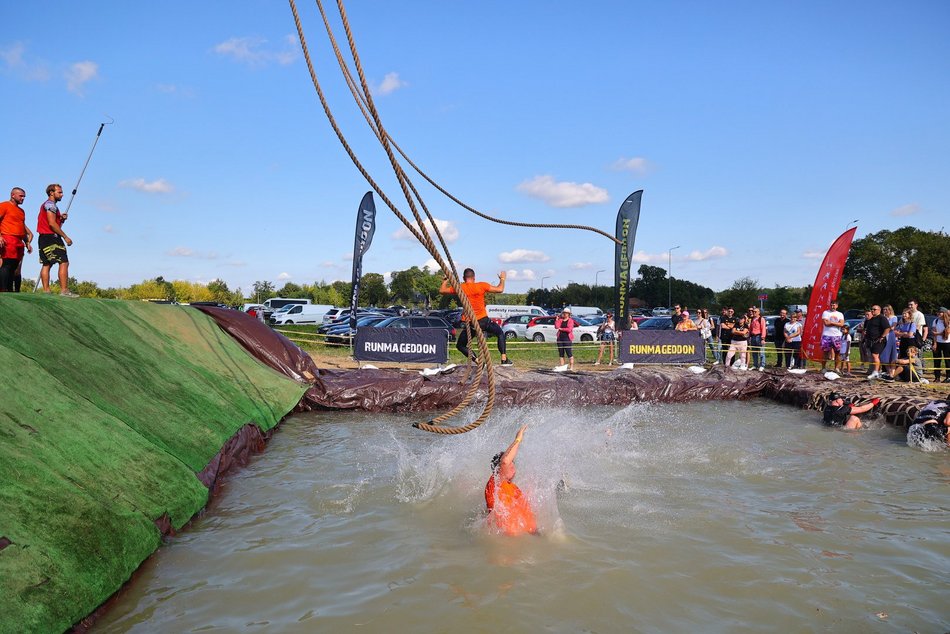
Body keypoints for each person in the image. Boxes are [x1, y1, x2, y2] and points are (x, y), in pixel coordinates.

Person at [440, 268, 511, 365]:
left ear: (463, 278)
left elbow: (442, 290)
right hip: (483, 321)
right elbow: (500, 289)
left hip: (471, 323)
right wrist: (502, 279)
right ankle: (504, 358)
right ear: (474, 277)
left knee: (460, 346)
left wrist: (445, 281)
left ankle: (478, 361)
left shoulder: (460, 287)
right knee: (500, 333)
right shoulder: (481, 285)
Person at [485, 424, 537, 536]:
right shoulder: (497, 481)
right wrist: (518, 438)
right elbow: (505, 461)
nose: (513, 464)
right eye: (511, 462)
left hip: (523, 538)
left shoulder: (512, 488)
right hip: (507, 540)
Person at [36, 183, 76, 296]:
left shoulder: (49, 206)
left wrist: (61, 219)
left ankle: (46, 291)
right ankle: (64, 290)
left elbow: (53, 222)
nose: (62, 194)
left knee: (46, 263)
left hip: (43, 238)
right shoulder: (50, 205)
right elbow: (52, 224)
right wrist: (65, 237)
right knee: (64, 262)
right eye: (59, 192)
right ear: (51, 193)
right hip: (51, 238)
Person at [0, 187, 34, 292]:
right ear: (13, 195)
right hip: (7, 238)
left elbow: (22, 227)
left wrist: (27, 242)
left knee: (15, 267)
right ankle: (2, 289)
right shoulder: (4, 205)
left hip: (19, 241)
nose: (23, 198)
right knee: (7, 264)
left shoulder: (21, 211)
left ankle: (10, 290)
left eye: (24, 196)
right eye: (21, 196)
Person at [863, 305, 892, 380]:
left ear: (879, 310)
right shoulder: (871, 319)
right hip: (870, 341)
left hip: (879, 340)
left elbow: (887, 328)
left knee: (875, 355)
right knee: (875, 357)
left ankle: (875, 372)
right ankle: (878, 371)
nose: (872, 311)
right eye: (871, 309)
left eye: (874, 309)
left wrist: (882, 337)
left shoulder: (882, 318)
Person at [820, 300, 845, 372]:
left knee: (837, 352)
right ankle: (823, 368)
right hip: (826, 335)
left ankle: (836, 368)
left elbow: (841, 324)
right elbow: (826, 323)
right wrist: (836, 323)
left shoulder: (840, 314)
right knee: (825, 352)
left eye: (834, 305)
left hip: (837, 335)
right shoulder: (826, 312)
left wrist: (831, 322)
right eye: (831, 305)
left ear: (837, 306)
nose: (832, 306)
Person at [931, 308, 950, 383]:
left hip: (947, 343)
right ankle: (937, 377)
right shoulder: (935, 321)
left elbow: (947, 332)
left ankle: (948, 377)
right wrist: (935, 343)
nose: (939, 314)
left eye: (941, 312)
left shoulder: (948, 321)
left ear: (944, 313)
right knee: (936, 360)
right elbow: (933, 333)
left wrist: (937, 333)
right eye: (938, 312)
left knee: (947, 360)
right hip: (938, 342)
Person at [881, 304, 899, 375]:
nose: (885, 311)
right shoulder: (883, 318)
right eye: (884, 310)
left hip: (890, 336)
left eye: (886, 309)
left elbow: (893, 327)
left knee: (892, 355)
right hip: (884, 336)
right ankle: (888, 371)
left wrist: (886, 329)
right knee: (883, 355)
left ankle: (892, 372)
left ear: (890, 310)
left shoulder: (894, 317)